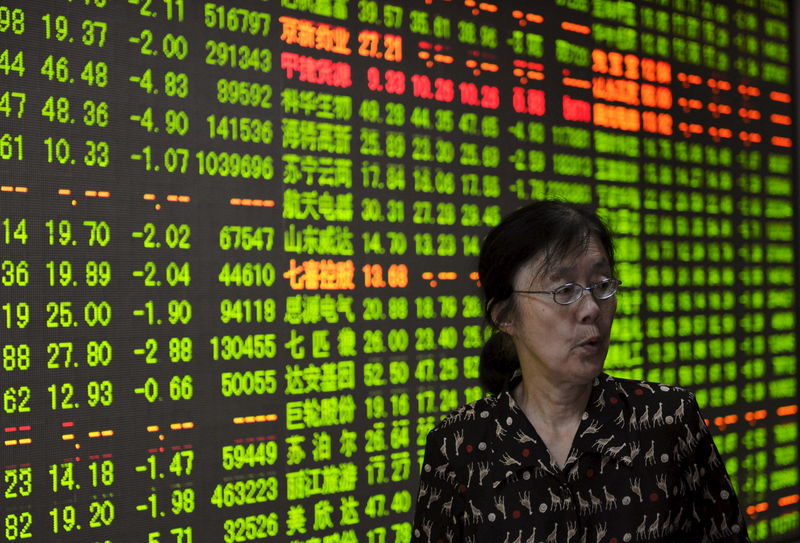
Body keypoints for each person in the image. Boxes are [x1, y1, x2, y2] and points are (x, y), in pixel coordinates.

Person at [412, 201, 749, 542]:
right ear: (504, 316)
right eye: (565, 291)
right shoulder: (459, 446)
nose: (591, 309)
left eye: (602, 285)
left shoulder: (667, 420)